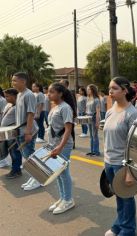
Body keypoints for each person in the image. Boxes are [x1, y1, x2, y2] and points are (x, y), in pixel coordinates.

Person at [103, 76, 137, 236]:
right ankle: (119, 225)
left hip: (122, 164)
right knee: (118, 196)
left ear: (125, 90)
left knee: (126, 198)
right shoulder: (110, 111)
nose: (110, 91)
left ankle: (128, 230)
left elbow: (134, 145)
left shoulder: (132, 113)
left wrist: (130, 171)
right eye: (110, 88)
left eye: (115, 88)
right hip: (109, 162)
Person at [47, 82, 76, 214]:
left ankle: (68, 200)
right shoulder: (55, 107)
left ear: (60, 93)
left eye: (51, 92)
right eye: (48, 91)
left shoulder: (65, 108)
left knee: (63, 172)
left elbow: (68, 129)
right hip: (54, 144)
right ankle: (63, 198)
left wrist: (59, 147)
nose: (49, 94)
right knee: (57, 172)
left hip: (63, 145)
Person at [9, 72, 40, 191]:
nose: (13, 83)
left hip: (27, 130)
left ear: (23, 81)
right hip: (20, 130)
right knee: (26, 156)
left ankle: (37, 179)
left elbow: (31, 114)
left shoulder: (29, 95)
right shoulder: (20, 94)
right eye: (13, 81)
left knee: (29, 156)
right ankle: (34, 177)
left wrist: (28, 132)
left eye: (15, 81)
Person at [0, 89, 17, 169]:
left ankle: (16, 168)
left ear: (14, 96)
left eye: (7, 96)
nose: (5, 98)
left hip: (12, 132)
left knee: (13, 150)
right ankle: (4, 161)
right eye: (5, 96)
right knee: (5, 147)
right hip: (4, 130)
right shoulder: (8, 105)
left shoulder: (18, 107)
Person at [59, 79, 77, 149]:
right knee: (68, 129)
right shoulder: (66, 92)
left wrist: (74, 113)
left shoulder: (67, 92)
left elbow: (73, 103)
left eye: (61, 83)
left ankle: (72, 144)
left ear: (66, 85)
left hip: (70, 113)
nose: (60, 85)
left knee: (70, 129)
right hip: (68, 113)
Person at [86, 84, 101, 156]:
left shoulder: (96, 99)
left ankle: (96, 152)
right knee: (91, 135)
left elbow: (98, 111)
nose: (87, 90)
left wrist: (97, 122)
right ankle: (92, 151)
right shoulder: (88, 98)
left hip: (94, 117)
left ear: (92, 90)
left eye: (89, 89)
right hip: (88, 117)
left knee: (95, 135)